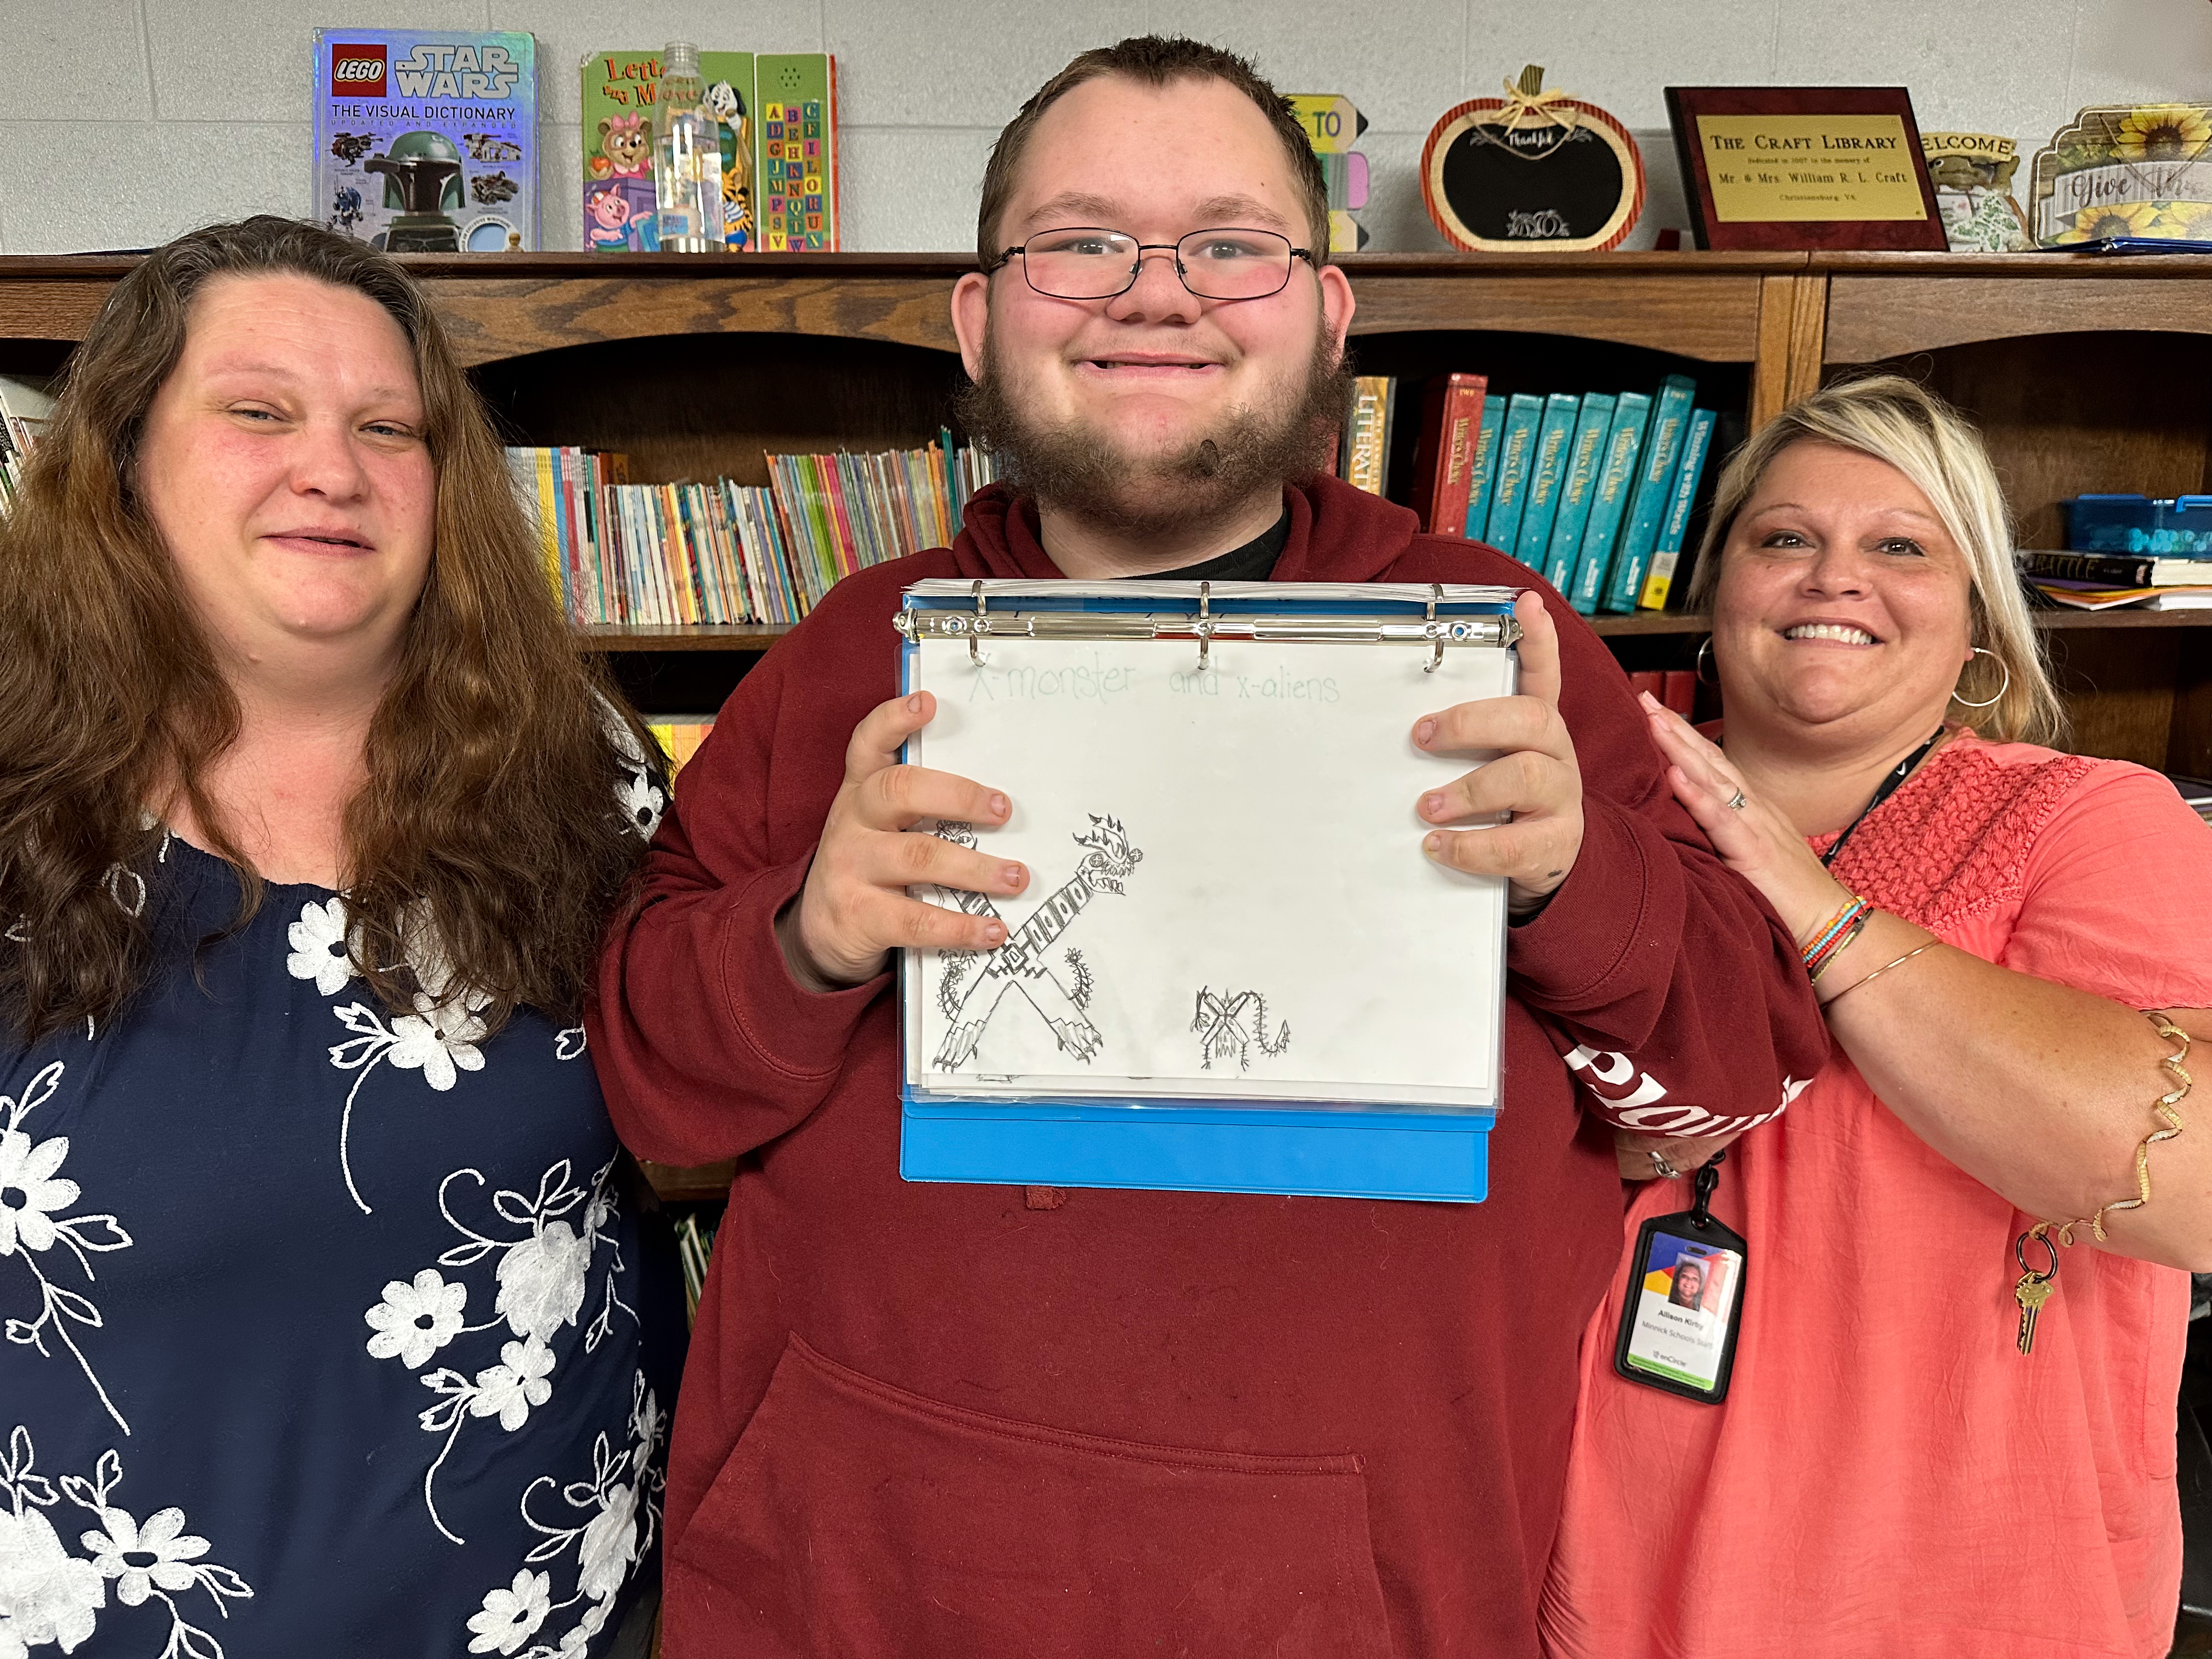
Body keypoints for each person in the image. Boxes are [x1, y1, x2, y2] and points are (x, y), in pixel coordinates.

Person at [590, 37, 1826, 1659]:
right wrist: (806, 940)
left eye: (1230, 246)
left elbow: (1742, 1077)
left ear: (1327, 312)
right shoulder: (847, 649)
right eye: (1080, 242)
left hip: (1350, 1595)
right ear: (981, 318)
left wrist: (1573, 883)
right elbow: (650, 1078)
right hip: (855, 1575)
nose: (1153, 294)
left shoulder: (1497, 647)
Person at [0, 218, 679, 1658]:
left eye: (391, 427)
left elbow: (686, 1140)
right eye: (258, 412)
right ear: (122, 456)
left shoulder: (589, 775)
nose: (334, 467)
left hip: (556, 1623)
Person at [1541, 376, 2212, 1659]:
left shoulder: (2089, 818)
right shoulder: (1589, 815)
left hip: (1958, 1578)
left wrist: (1815, 912)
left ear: (1977, 625)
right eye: (1783, 538)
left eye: (1901, 546)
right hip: (1603, 1540)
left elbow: (2191, 1184)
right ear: (1719, 586)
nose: (1832, 578)